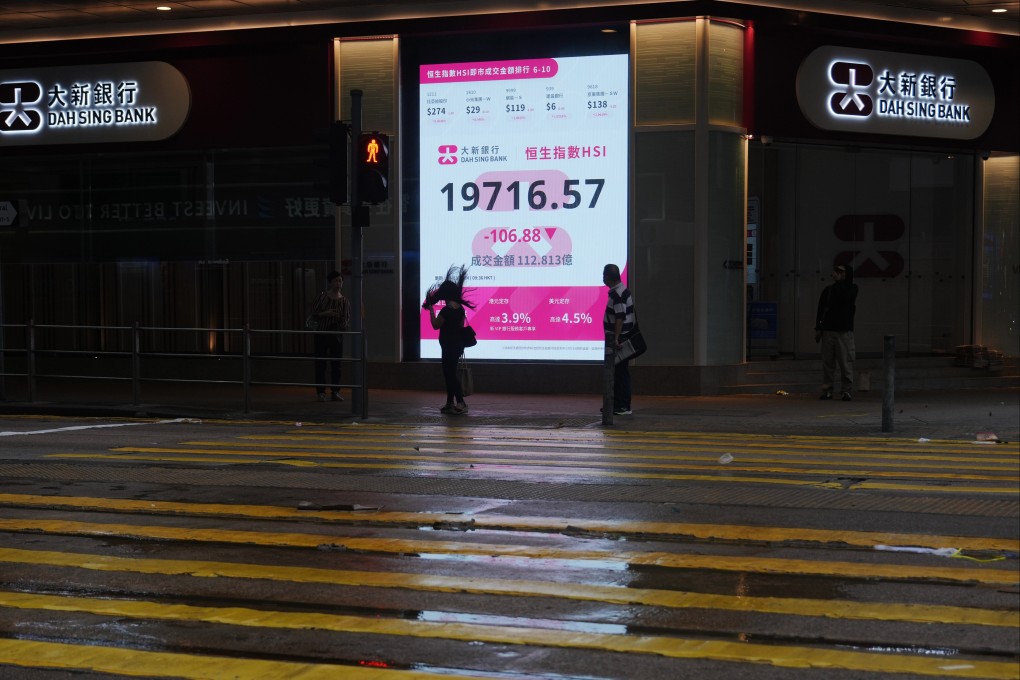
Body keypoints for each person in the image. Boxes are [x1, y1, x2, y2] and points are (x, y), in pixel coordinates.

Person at [423, 265, 475, 414]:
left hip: (448, 346)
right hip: (457, 345)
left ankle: (460, 402)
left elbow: (435, 325)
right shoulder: (460, 309)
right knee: (450, 373)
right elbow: (460, 327)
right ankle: (449, 403)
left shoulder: (445, 310)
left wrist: (432, 311)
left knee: (450, 375)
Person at [814, 263, 859, 401]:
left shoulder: (852, 288)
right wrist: (818, 328)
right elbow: (821, 309)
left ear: (847, 274)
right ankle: (827, 390)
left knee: (845, 363)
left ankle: (846, 390)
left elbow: (845, 298)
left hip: (844, 331)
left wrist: (840, 282)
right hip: (828, 330)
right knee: (828, 363)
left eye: (841, 271)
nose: (837, 273)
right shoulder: (828, 290)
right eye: (836, 270)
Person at [309, 270, 351, 402]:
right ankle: (321, 392)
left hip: (336, 335)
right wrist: (325, 314)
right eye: (336, 281)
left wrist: (342, 323)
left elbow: (346, 319)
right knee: (320, 364)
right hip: (321, 333)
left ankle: (335, 391)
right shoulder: (322, 297)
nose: (338, 284)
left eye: (340, 281)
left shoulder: (344, 301)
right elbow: (313, 313)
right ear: (330, 282)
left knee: (336, 364)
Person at [603, 263, 635, 415]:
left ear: (608, 277)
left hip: (620, 340)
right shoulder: (622, 291)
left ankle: (622, 405)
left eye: (604, 276)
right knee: (618, 372)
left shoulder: (618, 294)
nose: (603, 279)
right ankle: (615, 404)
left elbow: (620, 317)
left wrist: (616, 338)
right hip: (622, 337)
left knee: (620, 372)